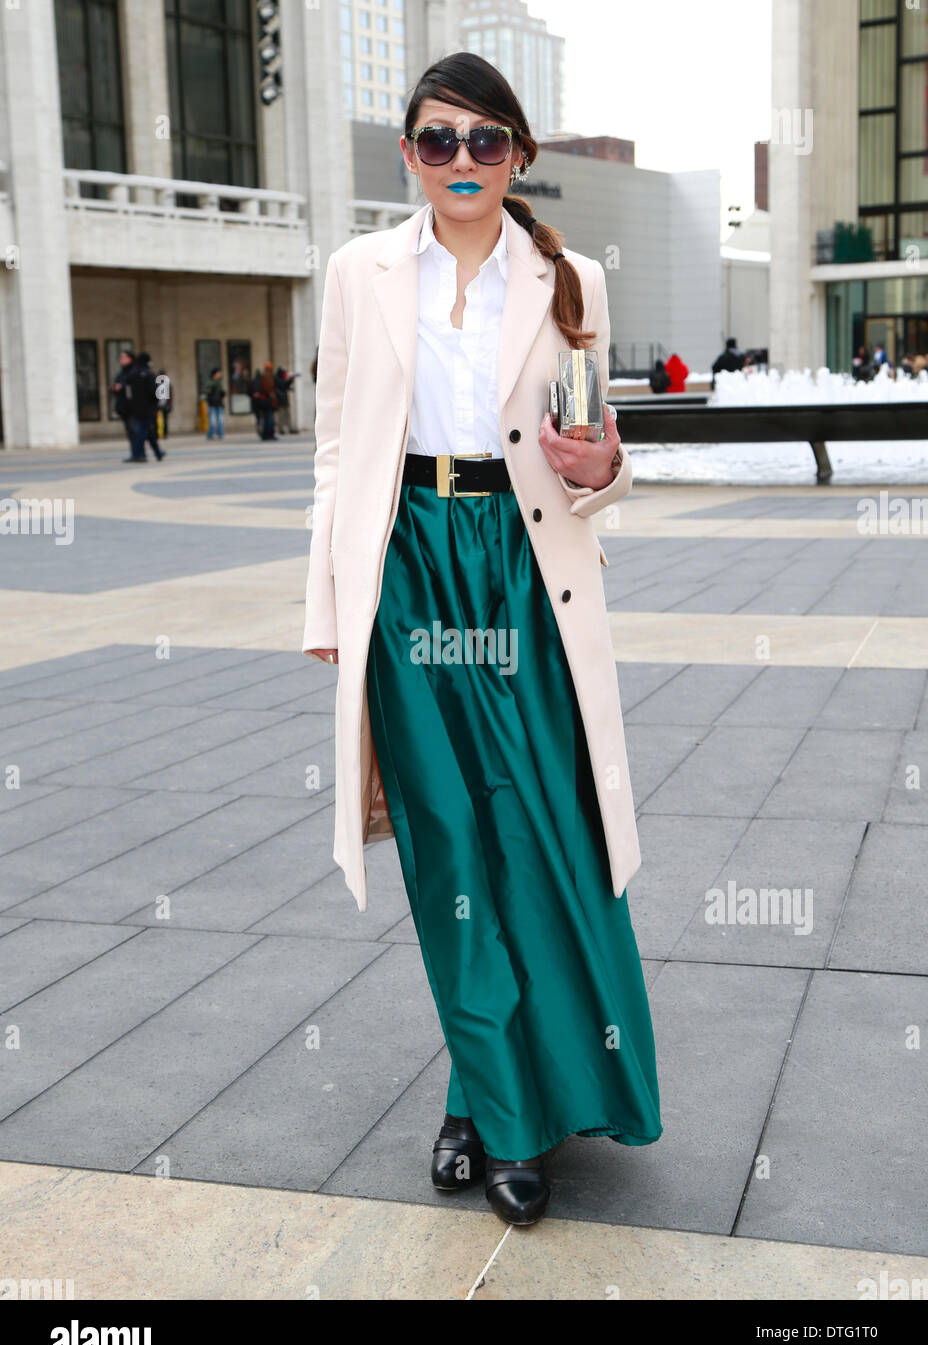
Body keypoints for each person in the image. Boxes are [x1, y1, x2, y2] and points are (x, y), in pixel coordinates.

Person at [302, 50, 661, 1227]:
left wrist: (606, 472)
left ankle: (479, 1098)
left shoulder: (571, 279)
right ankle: (508, 1122)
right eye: (436, 140)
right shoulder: (358, 273)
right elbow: (333, 448)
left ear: (519, 155)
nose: (460, 161)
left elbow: (594, 443)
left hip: (516, 570)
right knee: (446, 840)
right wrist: (328, 608)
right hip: (407, 567)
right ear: (407, 153)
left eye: (485, 140)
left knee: (530, 830)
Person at [122, 351, 164, 463]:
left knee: (147, 430)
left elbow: (127, 391)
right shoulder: (148, 374)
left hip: (135, 408)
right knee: (143, 431)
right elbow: (155, 392)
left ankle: (158, 452)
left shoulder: (132, 374)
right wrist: (155, 403)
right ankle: (137, 454)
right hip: (148, 408)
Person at [111, 349, 135, 449]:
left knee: (136, 430)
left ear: (130, 359)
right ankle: (136, 452)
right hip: (123, 407)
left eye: (123, 357)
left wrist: (122, 387)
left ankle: (138, 452)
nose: (121, 359)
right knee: (130, 430)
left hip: (133, 406)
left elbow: (134, 387)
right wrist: (114, 388)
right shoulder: (121, 372)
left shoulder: (133, 372)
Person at [251, 361, 278, 440]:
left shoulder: (264, 376)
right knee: (269, 418)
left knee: (266, 418)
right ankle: (268, 434)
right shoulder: (267, 376)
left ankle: (267, 434)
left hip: (265, 401)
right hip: (267, 401)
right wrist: (271, 394)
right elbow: (268, 388)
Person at [274, 365, 298, 433]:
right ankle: (281, 429)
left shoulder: (280, 378)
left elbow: (285, 386)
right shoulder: (277, 379)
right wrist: (290, 379)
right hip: (281, 400)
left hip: (283, 399)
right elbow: (283, 385)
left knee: (287, 415)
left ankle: (289, 428)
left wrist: (290, 380)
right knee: (281, 415)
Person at [205, 367, 226, 439]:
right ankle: (211, 434)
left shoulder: (219, 382)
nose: (220, 374)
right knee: (212, 420)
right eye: (218, 373)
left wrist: (222, 393)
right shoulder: (210, 382)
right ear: (215, 374)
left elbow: (221, 393)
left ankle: (220, 434)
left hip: (219, 404)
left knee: (220, 420)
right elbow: (207, 393)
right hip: (212, 404)